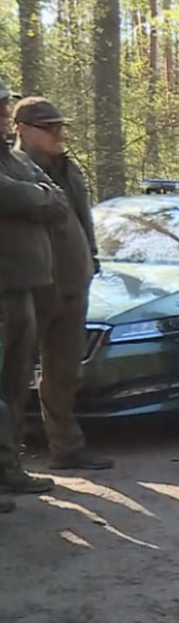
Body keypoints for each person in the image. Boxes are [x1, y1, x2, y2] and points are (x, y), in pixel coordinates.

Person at [11, 96, 114, 471]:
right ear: (22, 129)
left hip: (73, 280)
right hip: (30, 284)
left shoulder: (69, 167)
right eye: (48, 127)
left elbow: (81, 216)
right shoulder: (16, 169)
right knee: (16, 373)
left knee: (65, 372)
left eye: (59, 126)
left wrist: (91, 255)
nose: (58, 134)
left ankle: (66, 447)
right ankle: (12, 458)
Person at [0, 76, 58, 504]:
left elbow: (53, 199)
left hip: (24, 289)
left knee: (16, 383)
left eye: (5, 107)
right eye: (0, 109)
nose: (4, 115)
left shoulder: (13, 159)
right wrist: (32, 199)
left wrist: (32, 197)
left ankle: (8, 464)